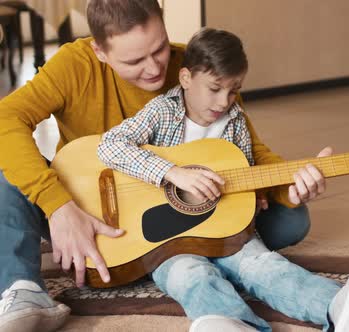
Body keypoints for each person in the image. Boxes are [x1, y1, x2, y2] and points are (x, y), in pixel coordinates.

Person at [0, 1, 327, 331]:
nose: (155, 68)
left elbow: (249, 152)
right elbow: (6, 118)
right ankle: (23, 289)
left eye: (159, 49)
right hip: (88, 212)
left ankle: (195, 253)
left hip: (175, 214)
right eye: (134, 60)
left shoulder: (198, 71)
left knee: (292, 219)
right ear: (99, 50)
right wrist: (59, 207)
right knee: (7, 168)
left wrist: (294, 183)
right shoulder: (75, 64)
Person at [97, 27, 349, 332]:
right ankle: (236, 326)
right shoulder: (160, 112)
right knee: (191, 277)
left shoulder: (235, 122)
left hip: (226, 234)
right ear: (186, 79)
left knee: (264, 266)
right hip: (165, 244)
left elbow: (243, 178)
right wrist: (173, 173)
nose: (224, 101)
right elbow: (110, 145)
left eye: (233, 90)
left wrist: (267, 192)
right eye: (214, 88)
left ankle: (336, 307)